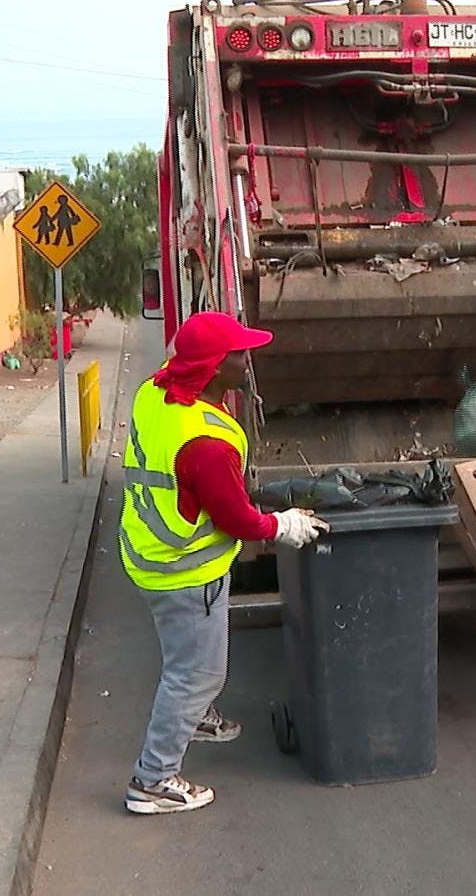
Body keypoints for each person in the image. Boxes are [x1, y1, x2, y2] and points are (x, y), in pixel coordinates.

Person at [120, 311, 329, 814]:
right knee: (197, 672)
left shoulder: (155, 391)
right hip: (185, 571)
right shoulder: (207, 444)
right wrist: (285, 525)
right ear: (214, 368)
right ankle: (153, 781)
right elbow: (237, 519)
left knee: (183, 658)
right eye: (238, 354)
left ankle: (196, 716)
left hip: (148, 552)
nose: (246, 359)